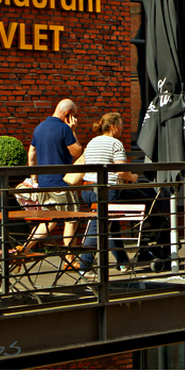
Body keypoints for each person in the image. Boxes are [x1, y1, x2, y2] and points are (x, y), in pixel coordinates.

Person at [77, 113, 141, 278]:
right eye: (120, 125)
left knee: (110, 225)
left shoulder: (92, 142)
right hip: (106, 190)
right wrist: (132, 177)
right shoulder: (115, 144)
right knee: (99, 226)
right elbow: (120, 171)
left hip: (87, 189)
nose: (122, 128)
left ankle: (122, 263)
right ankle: (84, 265)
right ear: (113, 126)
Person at [24, 99, 83, 257]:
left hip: (44, 183)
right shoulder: (65, 128)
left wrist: (34, 179)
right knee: (71, 219)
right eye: (74, 115)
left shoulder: (39, 128)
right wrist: (74, 131)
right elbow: (77, 153)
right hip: (62, 183)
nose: (75, 119)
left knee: (49, 221)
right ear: (68, 114)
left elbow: (31, 154)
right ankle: (69, 260)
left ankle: (24, 249)